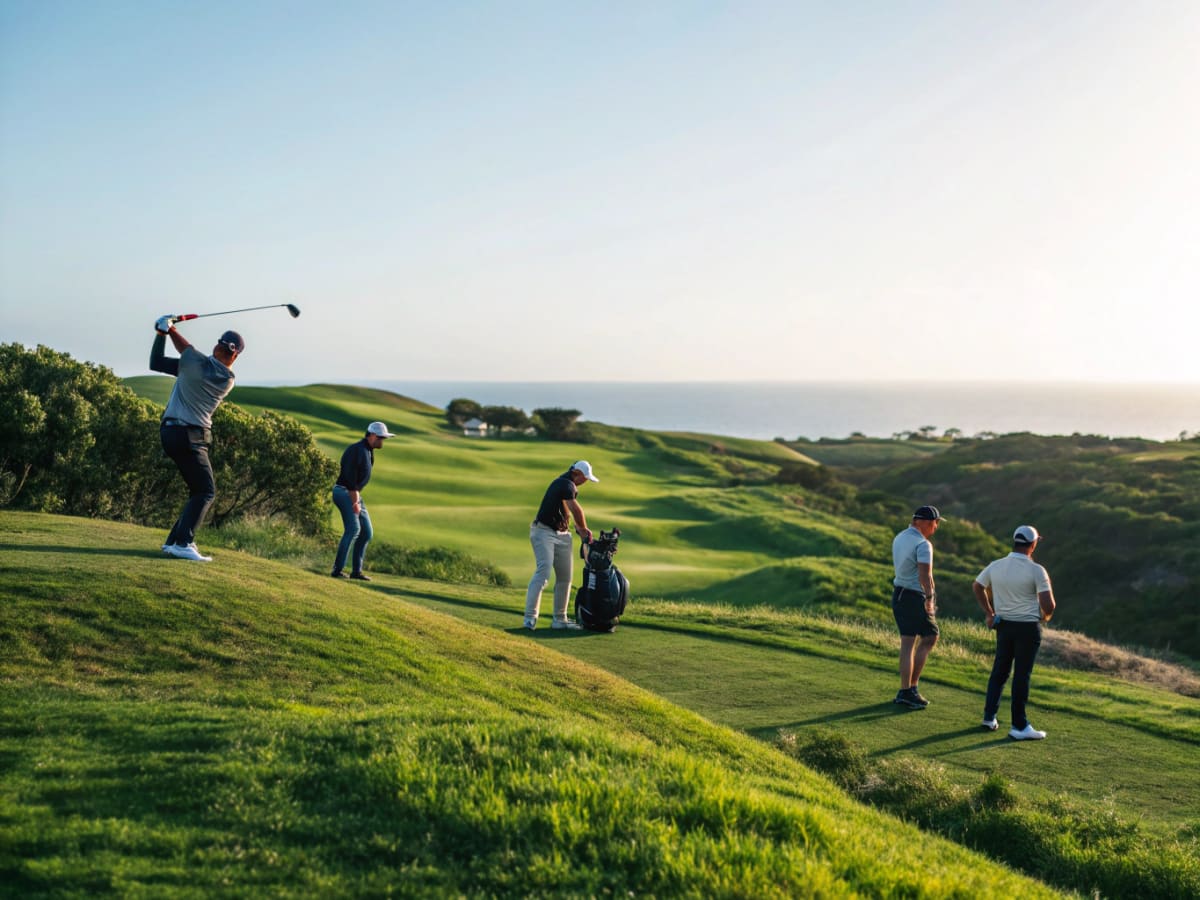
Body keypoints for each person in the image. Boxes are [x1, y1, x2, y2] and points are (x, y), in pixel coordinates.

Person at [149, 315, 243, 562]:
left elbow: (168, 356)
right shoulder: (197, 365)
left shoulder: (221, 376)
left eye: (226, 350)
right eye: (223, 348)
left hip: (170, 433)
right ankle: (183, 543)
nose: (223, 352)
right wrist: (166, 332)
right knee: (205, 491)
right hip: (190, 436)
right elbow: (169, 357)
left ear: (232, 356)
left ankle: (173, 543)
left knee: (198, 490)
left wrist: (165, 329)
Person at [972, 525, 1057, 740]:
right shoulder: (1037, 570)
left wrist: (989, 613)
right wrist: (1045, 616)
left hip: (1004, 626)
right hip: (1027, 628)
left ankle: (989, 716)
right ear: (1033, 544)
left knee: (999, 671)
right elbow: (1049, 605)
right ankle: (1019, 726)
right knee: (1021, 676)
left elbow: (977, 586)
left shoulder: (996, 565)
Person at [524, 461, 598, 630]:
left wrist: (579, 530)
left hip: (563, 535)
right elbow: (577, 511)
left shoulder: (568, 485)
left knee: (565, 577)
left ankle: (559, 619)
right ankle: (530, 618)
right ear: (576, 473)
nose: (585, 482)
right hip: (543, 532)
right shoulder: (565, 484)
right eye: (585, 478)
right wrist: (585, 529)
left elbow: (566, 511)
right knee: (543, 573)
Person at [891, 505, 942, 708]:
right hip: (913, 597)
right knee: (928, 637)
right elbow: (925, 575)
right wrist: (930, 598)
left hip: (900, 594)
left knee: (911, 642)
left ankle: (907, 690)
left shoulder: (901, 536)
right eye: (936, 523)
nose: (936, 528)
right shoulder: (923, 544)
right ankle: (908, 690)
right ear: (929, 523)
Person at [331, 421, 395, 580]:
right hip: (344, 492)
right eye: (381, 438)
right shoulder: (357, 450)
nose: (382, 441)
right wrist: (354, 503)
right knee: (353, 529)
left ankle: (356, 572)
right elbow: (350, 480)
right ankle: (337, 570)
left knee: (366, 532)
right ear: (373, 436)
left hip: (354, 494)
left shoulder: (367, 450)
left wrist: (356, 499)